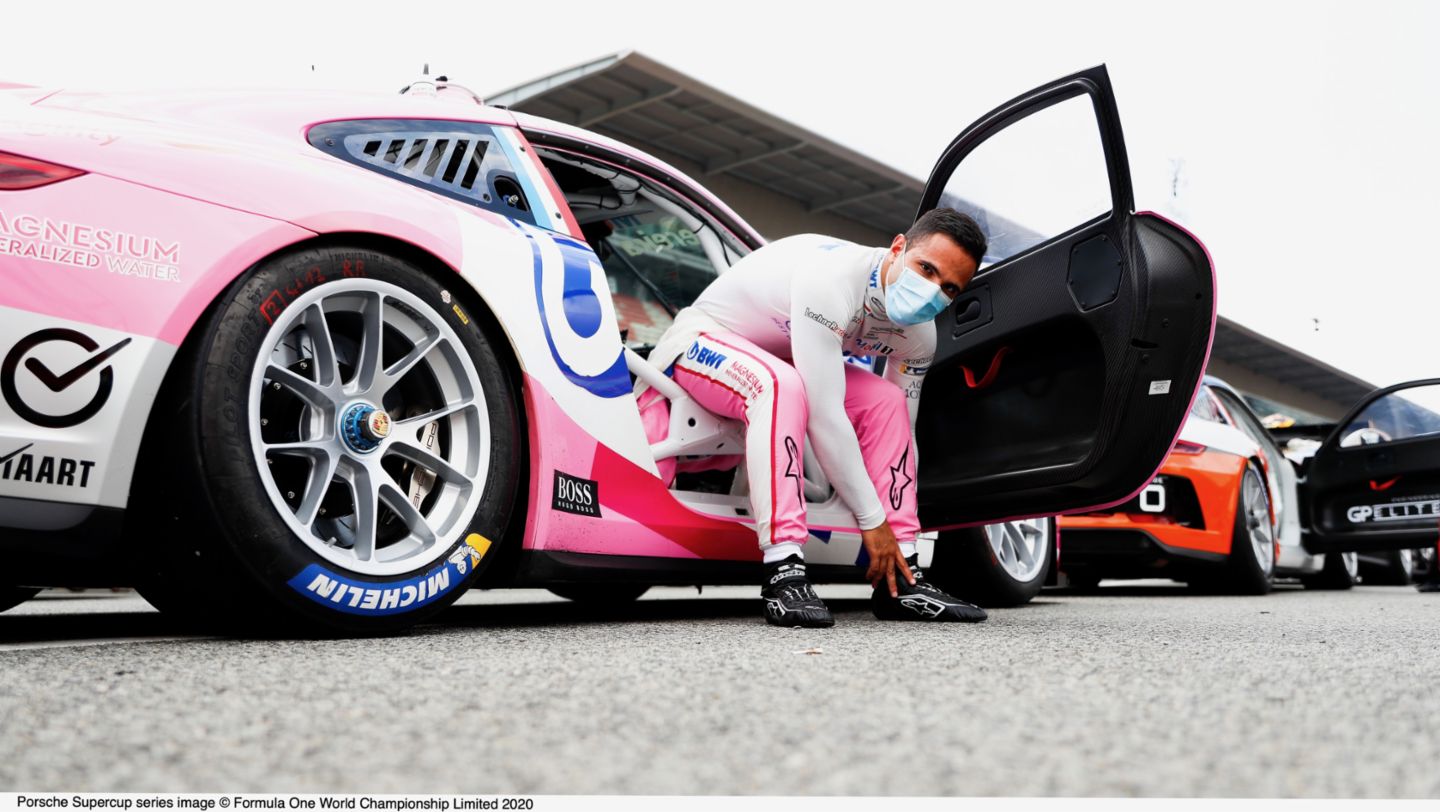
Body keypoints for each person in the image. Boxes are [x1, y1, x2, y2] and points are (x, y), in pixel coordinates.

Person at [642, 207, 988, 627]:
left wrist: (894, 530)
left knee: (887, 403)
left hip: (782, 358)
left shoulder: (919, 334)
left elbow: (904, 434)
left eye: (948, 288)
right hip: (704, 339)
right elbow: (824, 415)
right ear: (898, 248)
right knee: (782, 386)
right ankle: (783, 568)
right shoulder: (833, 280)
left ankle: (902, 577)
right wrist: (871, 520)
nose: (931, 291)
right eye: (926, 269)